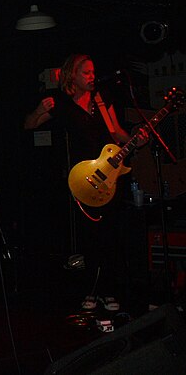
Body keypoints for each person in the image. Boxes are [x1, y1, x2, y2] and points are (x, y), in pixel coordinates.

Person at [24, 54, 146, 312]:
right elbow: (29, 124)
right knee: (89, 236)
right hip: (83, 177)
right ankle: (91, 290)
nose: (92, 77)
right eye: (86, 73)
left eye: (93, 72)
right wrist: (38, 111)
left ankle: (110, 291)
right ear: (72, 76)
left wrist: (136, 138)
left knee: (112, 235)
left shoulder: (101, 99)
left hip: (110, 176)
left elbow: (116, 132)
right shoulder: (61, 103)